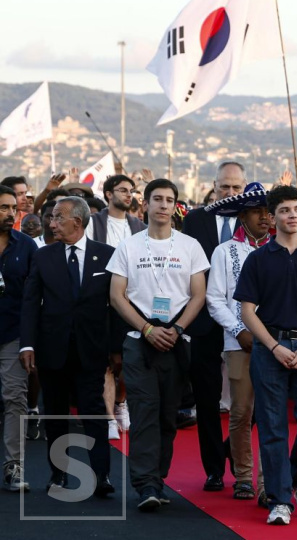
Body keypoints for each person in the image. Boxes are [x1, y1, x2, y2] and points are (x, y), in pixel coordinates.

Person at [234, 186, 297, 525]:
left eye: (296, 209)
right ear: (272, 216)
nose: (292, 215)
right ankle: (280, 500)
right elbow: (247, 311)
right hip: (269, 348)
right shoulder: (258, 259)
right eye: (284, 210)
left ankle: (296, 478)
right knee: (273, 427)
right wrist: (274, 347)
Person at [107, 179, 209, 511]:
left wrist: (177, 328)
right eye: (157, 199)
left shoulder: (190, 246)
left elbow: (199, 294)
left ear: (175, 206)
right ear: (146, 204)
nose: (163, 205)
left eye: (169, 200)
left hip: (177, 342)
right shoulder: (129, 246)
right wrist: (147, 329)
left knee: (168, 416)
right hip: (139, 341)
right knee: (144, 412)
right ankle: (145, 483)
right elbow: (116, 295)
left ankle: (158, 477)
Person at [19, 196, 117, 497]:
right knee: (56, 413)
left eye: (58, 217)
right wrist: (27, 345)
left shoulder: (107, 255)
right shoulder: (44, 255)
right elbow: (31, 301)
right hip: (52, 348)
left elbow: (114, 305)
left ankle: (101, 476)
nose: (51, 223)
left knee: (94, 412)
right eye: (51, 218)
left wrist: (115, 349)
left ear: (78, 220)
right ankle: (58, 474)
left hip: (92, 349)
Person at [204, 182, 271, 504]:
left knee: (271, 414)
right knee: (242, 412)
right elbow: (214, 299)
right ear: (242, 215)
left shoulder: (282, 249)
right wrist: (238, 330)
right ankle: (244, 477)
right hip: (238, 344)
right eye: (257, 211)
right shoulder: (224, 251)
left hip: (277, 343)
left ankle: (266, 479)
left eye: (267, 211)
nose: (265, 217)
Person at [182, 161, 246, 491]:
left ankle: (230, 452)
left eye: (237, 187)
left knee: (250, 401)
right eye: (225, 187)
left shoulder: (254, 220)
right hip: (204, 323)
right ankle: (213, 469)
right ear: (214, 186)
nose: (230, 193)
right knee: (206, 400)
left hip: (246, 323)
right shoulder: (195, 220)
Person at [86, 174, 147, 440]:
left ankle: (121, 403)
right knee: (105, 363)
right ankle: (109, 417)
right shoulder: (94, 223)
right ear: (108, 194)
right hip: (100, 300)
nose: (128, 195)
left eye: (131, 191)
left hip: (130, 300)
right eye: (123, 190)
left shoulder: (138, 226)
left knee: (124, 361)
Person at [0, 185, 37, 492]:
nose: (10, 213)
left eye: (12, 207)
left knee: (15, 399)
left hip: (13, 335)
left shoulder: (26, 246)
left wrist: (29, 340)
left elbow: (35, 295)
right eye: (3, 207)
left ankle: (14, 467)